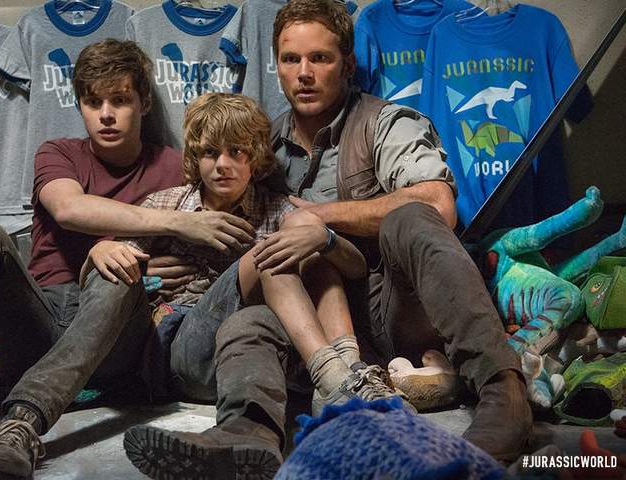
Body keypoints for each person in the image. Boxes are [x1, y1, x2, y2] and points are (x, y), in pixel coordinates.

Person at [124, 1, 532, 478]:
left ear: (347, 64)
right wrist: (159, 263)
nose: (304, 73)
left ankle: (503, 389)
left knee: (411, 217)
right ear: (277, 65)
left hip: (388, 310)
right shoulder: (260, 144)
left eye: (320, 58)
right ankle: (247, 433)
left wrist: (319, 218)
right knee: (251, 318)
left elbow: (438, 204)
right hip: (312, 329)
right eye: (291, 59)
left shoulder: (385, 122)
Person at [0, 40, 257, 477]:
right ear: (79, 105)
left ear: (144, 102)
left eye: (120, 100)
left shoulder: (177, 167)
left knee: (120, 269)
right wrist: (177, 224)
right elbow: (69, 209)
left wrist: (139, 267)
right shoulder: (58, 153)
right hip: (40, 320)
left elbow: (217, 237)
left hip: (116, 338)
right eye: (94, 102)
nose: (106, 114)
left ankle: (23, 421)